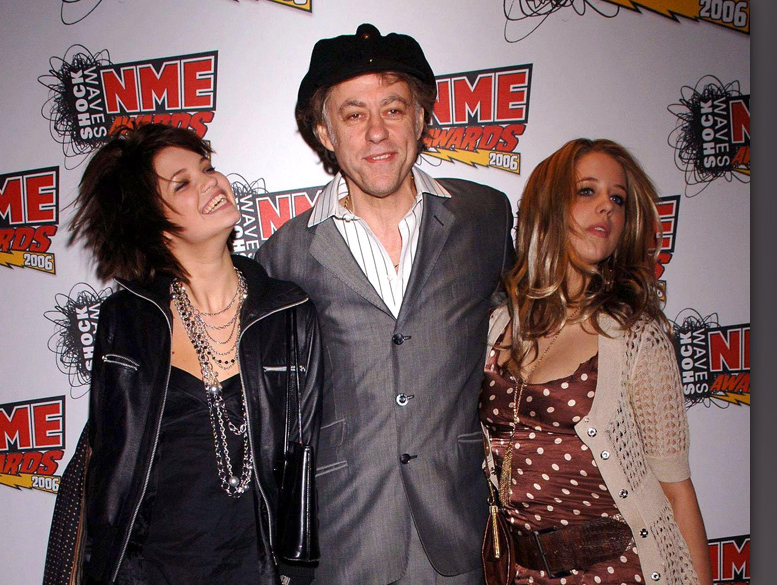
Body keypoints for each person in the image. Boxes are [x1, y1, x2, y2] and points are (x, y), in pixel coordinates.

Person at [255, 23, 515, 585]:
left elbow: (524, 327)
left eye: (393, 109)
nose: (377, 133)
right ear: (324, 131)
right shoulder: (283, 256)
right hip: (346, 538)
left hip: (460, 530)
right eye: (354, 114)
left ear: (420, 119)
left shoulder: (484, 218)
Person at [40, 123, 323, 585]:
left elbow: (307, 454)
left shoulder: (288, 313)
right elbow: (112, 466)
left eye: (208, 168)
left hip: (260, 573)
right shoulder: (127, 321)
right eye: (183, 182)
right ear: (151, 218)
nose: (211, 181)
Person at [481, 138, 714, 584]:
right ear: (548, 204)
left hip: (616, 572)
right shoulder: (495, 326)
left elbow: (676, 489)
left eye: (618, 200)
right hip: (517, 572)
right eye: (587, 191)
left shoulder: (635, 335)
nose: (606, 207)